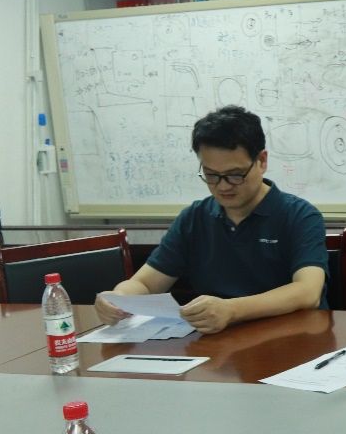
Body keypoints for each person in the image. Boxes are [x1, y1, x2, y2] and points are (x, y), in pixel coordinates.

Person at [94, 105, 328, 334]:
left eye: (235, 175)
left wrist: (231, 310)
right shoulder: (194, 218)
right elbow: (145, 283)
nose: (223, 186)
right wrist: (119, 298)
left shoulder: (299, 216)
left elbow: (308, 291)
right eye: (211, 175)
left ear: (262, 161)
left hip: (289, 339)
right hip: (217, 343)